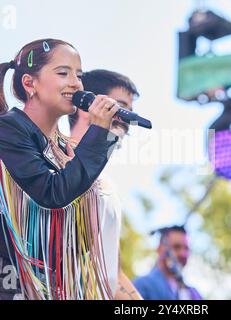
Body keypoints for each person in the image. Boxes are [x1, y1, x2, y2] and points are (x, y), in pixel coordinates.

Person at [0, 38, 121, 300]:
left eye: (78, 76)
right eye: (63, 73)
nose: (75, 83)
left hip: (38, 277)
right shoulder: (8, 128)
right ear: (29, 83)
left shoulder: (63, 148)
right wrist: (98, 132)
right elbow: (51, 193)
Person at [68, 69, 142, 300]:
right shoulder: (53, 163)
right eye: (118, 107)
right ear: (86, 104)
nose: (127, 119)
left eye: (130, 111)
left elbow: (113, 273)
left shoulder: (108, 187)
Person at [133, 225, 202, 300]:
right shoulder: (142, 286)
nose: (183, 254)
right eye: (176, 247)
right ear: (159, 249)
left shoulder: (193, 294)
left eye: (186, 249)